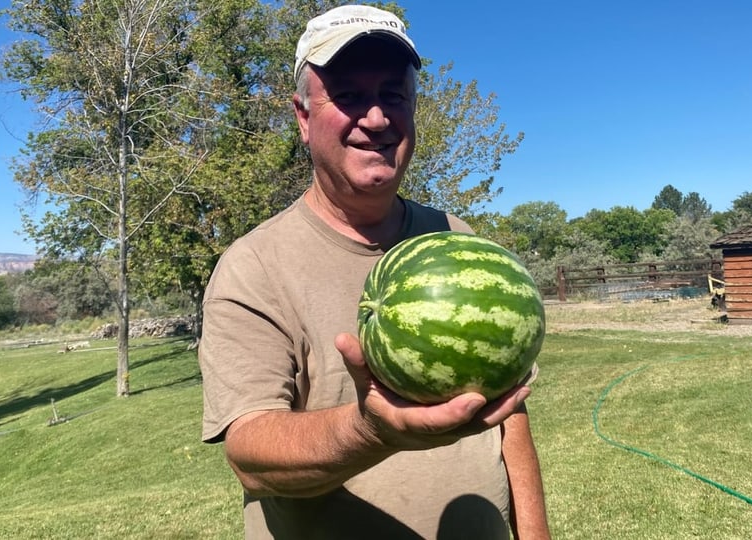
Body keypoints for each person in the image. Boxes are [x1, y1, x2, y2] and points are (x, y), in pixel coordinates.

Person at [198, 5, 550, 539]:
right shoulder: (254, 267)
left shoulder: (458, 239)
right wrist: (372, 431)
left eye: (393, 95)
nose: (377, 117)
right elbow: (250, 452)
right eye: (347, 94)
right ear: (303, 117)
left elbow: (510, 417)